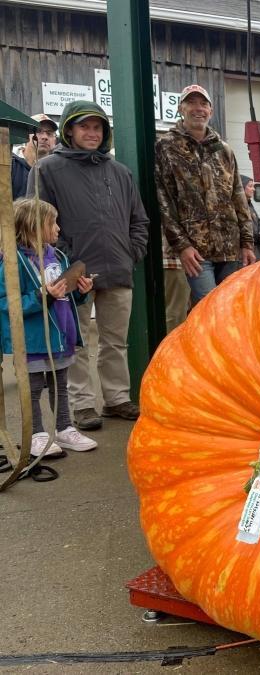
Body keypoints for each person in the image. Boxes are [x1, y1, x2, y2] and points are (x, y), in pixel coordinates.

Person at [27, 100, 149, 431]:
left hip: (118, 271)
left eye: (97, 127)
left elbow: (140, 220)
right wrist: (67, 261)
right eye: (84, 126)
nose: (92, 133)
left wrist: (131, 252)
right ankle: (81, 405)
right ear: (69, 130)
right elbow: (36, 222)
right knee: (75, 341)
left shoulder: (120, 172)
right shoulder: (47, 170)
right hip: (72, 274)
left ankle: (116, 398)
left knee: (115, 340)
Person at [0, 199, 97, 457]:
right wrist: (42, 296)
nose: (58, 228)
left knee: (60, 385)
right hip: (32, 340)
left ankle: (65, 429)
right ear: (33, 226)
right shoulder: (12, 261)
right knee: (31, 389)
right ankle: (36, 434)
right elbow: (8, 303)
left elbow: (65, 296)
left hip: (60, 336)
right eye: (52, 222)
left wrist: (81, 293)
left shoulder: (60, 256)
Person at [155, 84, 255, 304]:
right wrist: (182, 245)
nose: (198, 108)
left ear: (211, 111)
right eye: (191, 103)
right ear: (181, 108)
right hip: (196, 253)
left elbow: (239, 197)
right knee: (208, 308)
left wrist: (247, 242)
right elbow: (163, 201)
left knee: (231, 308)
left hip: (230, 249)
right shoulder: (166, 146)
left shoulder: (224, 149)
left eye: (203, 104)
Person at [11, 114, 58, 200]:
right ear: (26, 135)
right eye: (38, 131)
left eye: (49, 133)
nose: (45, 137)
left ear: (55, 140)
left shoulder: (57, 169)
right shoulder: (9, 163)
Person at [240, 175, 260, 261]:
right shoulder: (238, 206)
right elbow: (248, 230)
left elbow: (259, 225)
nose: (253, 189)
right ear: (241, 187)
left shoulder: (250, 205)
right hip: (246, 253)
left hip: (257, 250)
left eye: (253, 186)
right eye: (250, 186)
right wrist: (258, 235)